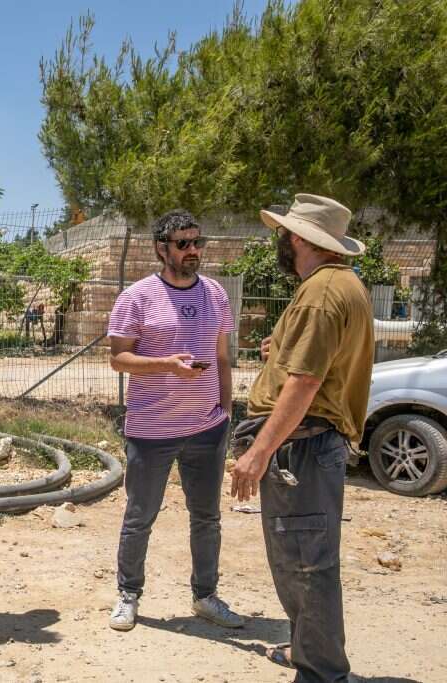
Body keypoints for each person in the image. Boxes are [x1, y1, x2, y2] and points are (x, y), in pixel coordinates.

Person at [231, 194, 373, 683]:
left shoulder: (320, 294)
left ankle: (321, 673)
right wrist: (280, 346)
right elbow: (315, 362)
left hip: (304, 449)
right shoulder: (339, 285)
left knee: (306, 567)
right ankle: (307, 654)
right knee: (300, 561)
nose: (280, 244)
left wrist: (258, 452)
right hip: (311, 444)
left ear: (298, 239)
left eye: (283, 235)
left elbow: (306, 383)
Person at [106, 209, 245, 632]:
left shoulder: (216, 294)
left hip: (207, 429)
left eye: (198, 242)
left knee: (207, 518)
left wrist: (225, 412)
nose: (193, 251)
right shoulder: (137, 297)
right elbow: (118, 359)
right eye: (183, 243)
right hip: (152, 431)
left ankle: (206, 597)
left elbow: (222, 358)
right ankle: (128, 595)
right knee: (139, 516)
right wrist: (166, 364)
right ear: (160, 248)